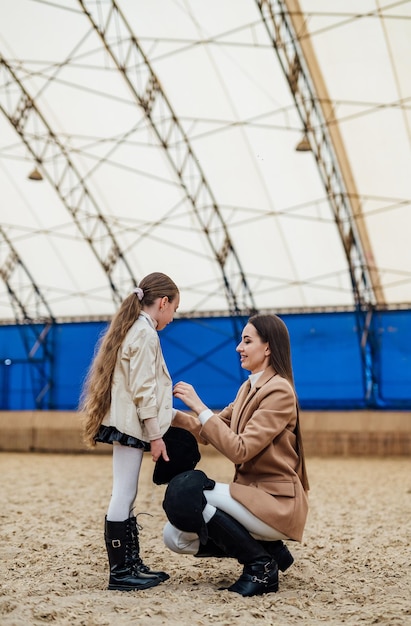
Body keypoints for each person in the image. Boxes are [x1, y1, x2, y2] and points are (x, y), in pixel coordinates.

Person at [162, 313, 309, 597]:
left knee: (190, 496)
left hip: (276, 502)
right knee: (175, 537)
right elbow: (210, 430)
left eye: (247, 341)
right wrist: (170, 414)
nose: (238, 347)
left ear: (267, 348)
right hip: (250, 496)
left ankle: (261, 565)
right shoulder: (247, 388)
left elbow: (239, 449)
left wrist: (199, 404)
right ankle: (267, 550)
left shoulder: (279, 390)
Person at [80, 272, 180, 592]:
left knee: (127, 492)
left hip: (126, 422)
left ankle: (130, 563)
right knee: (123, 492)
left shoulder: (135, 329)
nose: (173, 317)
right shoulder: (145, 334)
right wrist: (155, 434)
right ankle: (121, 572)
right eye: (174, 309)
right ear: (162, 303)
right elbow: (143, 390)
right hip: (130, 424)